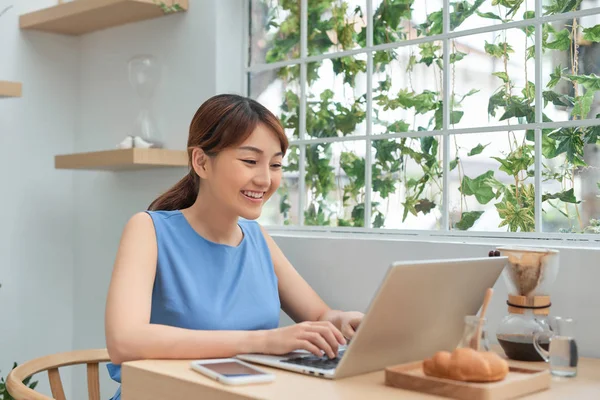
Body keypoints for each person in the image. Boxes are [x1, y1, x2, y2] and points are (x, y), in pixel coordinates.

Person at [104, 94, 364, 400]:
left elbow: (319, 314)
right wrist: (264, 341)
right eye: (250, 161)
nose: (266, 179)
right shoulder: (148, 229)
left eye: (276, 164)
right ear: (201, 162)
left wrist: (341, 321)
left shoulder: (257, 237)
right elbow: (125, 341)